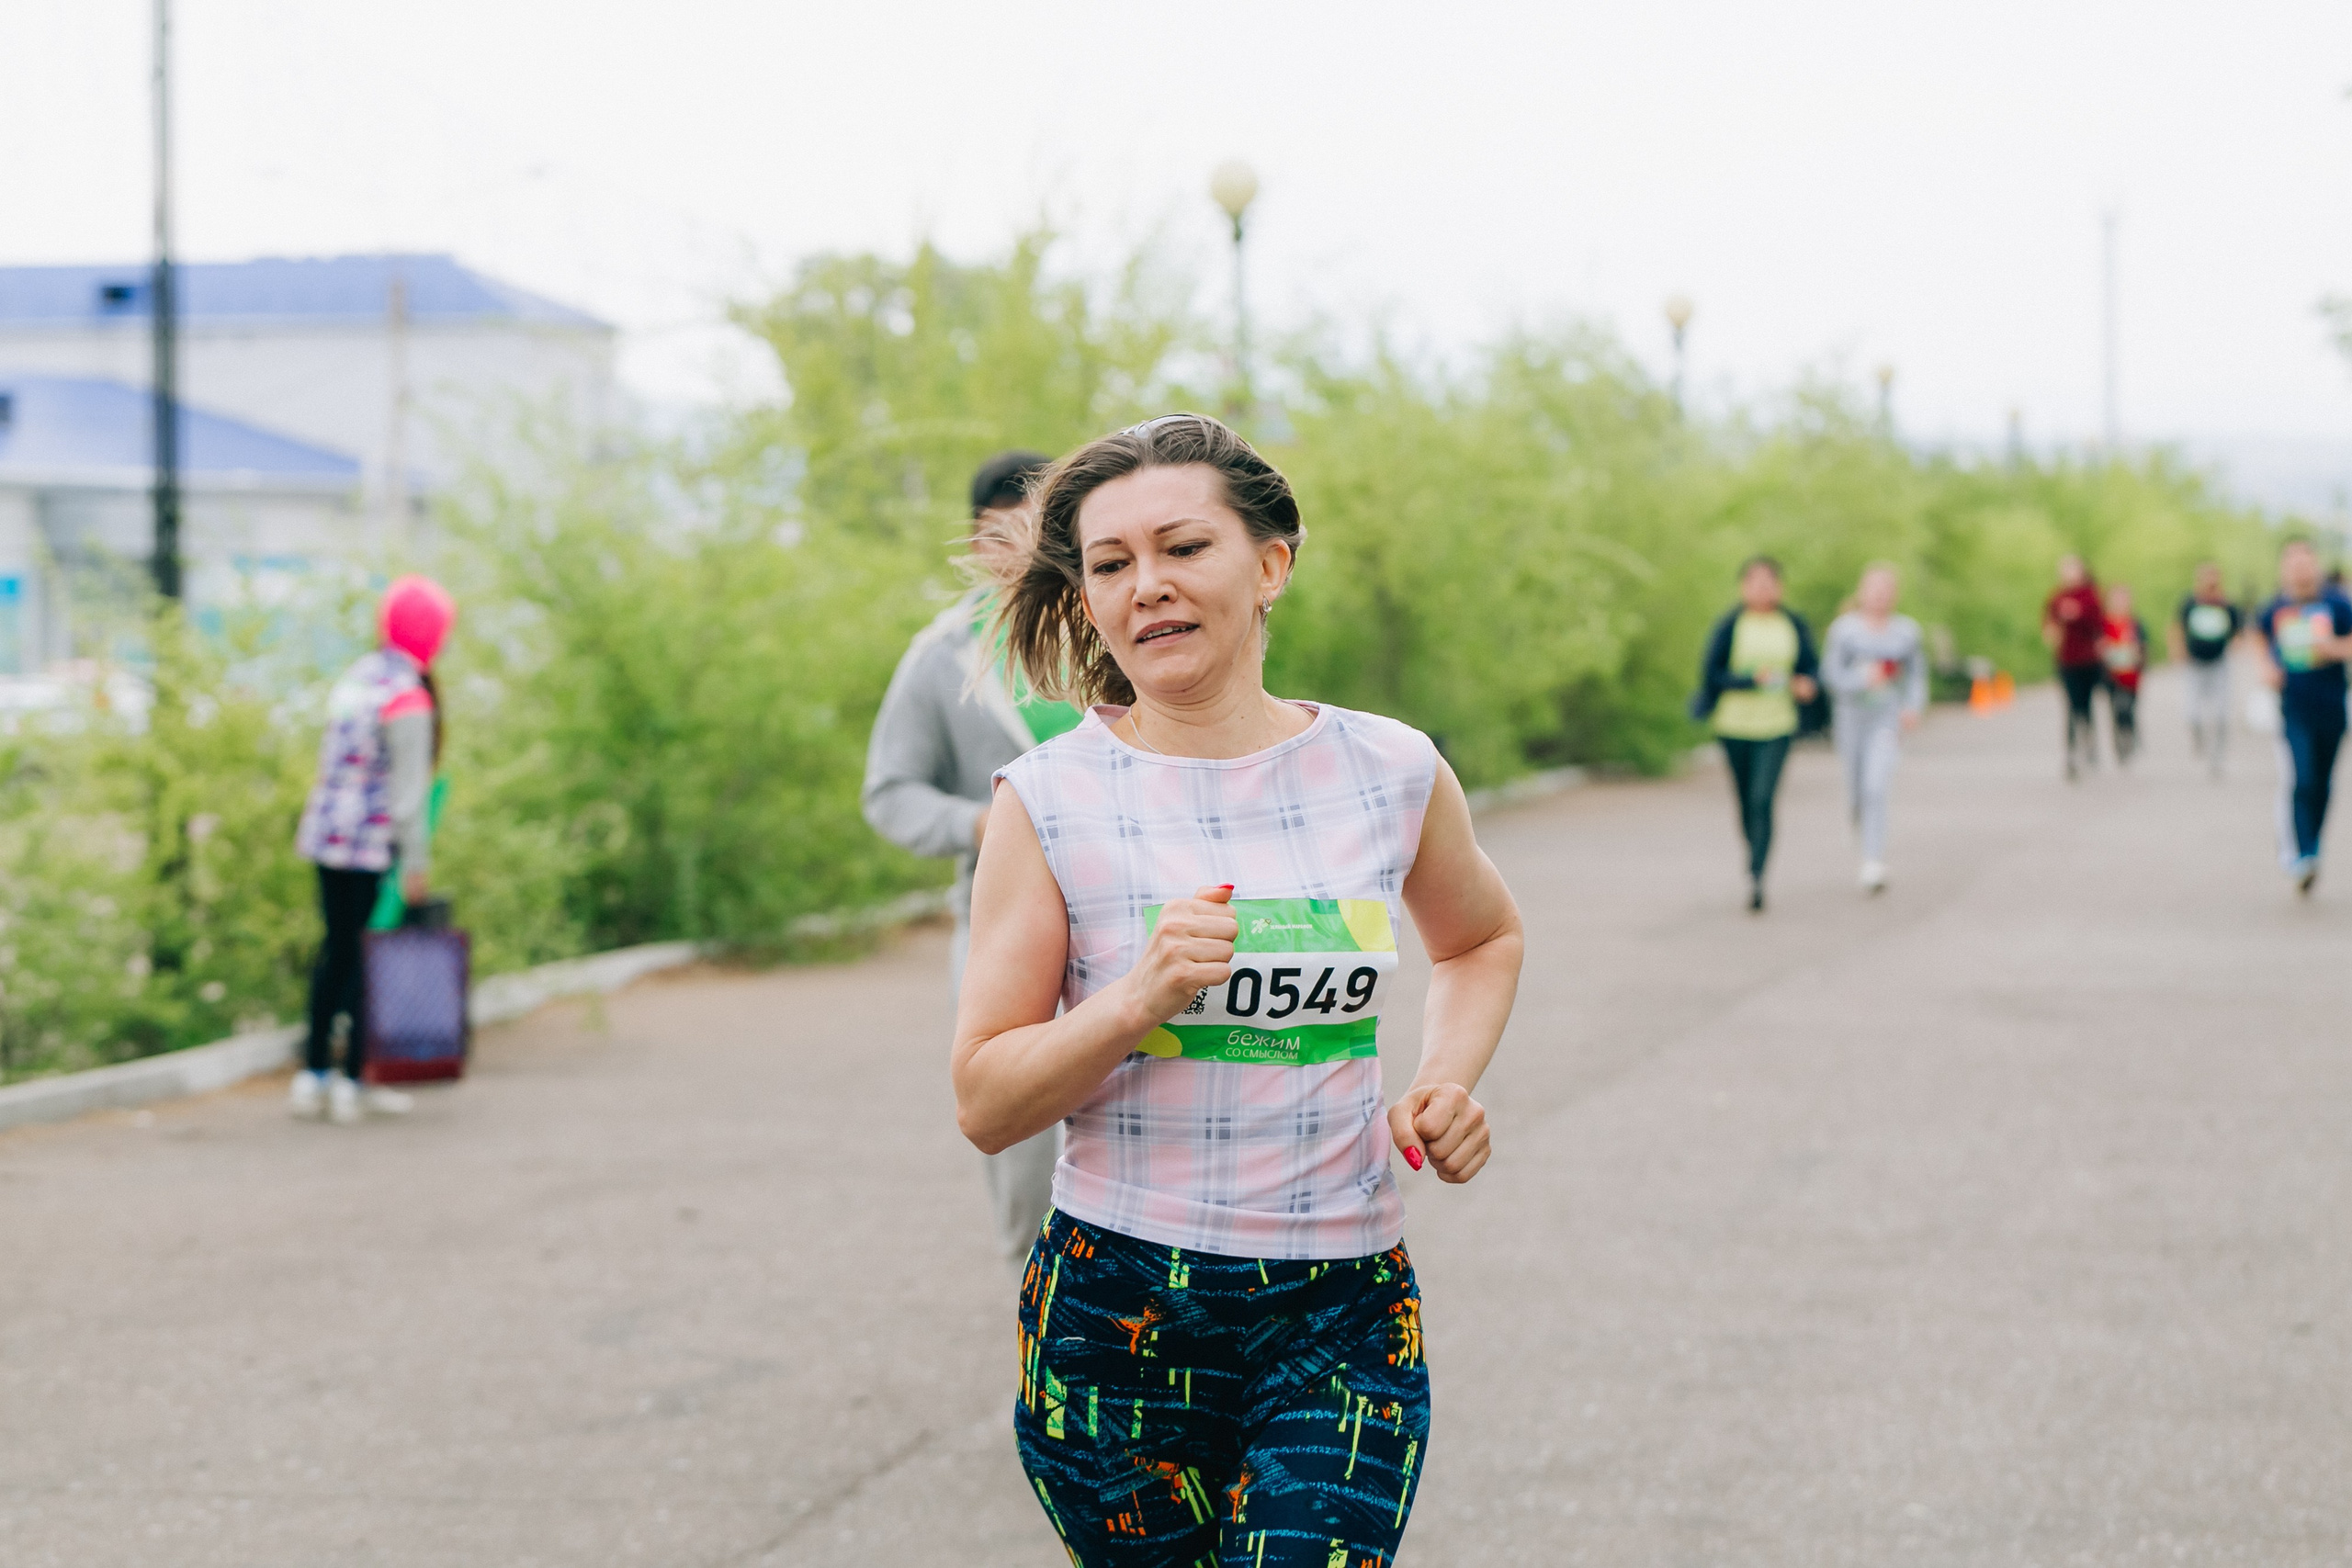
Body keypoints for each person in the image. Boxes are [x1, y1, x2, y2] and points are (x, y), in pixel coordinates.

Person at [954, 413, 1524, 1566]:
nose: (1146, 586)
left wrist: (1442, 1082)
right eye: (1111, 566)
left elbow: (1481, 940)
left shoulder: (1390, 769)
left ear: (1271, 564)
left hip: (1342, 1303)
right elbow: (985, 1099)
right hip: (1117, 1309)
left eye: (1182, 548)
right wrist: (1129, 1002)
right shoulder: (1049, 800)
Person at [863, 450, 1080, 1271]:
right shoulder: (943, 654)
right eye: (1005, 529)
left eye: (1044, 524)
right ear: (977, 538)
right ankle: (1036, 1292)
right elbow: (889, 791)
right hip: (1002, 917)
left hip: (1132, 909)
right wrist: (982, 823)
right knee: (1020, 1121)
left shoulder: (1114, 622)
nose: (1024, 544)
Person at [289, 575, 455, 1123]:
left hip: (325, 835)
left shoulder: (358, 677)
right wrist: (416, 863)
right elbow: (407, 795)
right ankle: (353, 1081)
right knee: (366, 958)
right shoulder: (408, 694)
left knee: (334, 952)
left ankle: (313, 1075)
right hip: (369, 845)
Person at [1694, 556, 1820, 911]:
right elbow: (1711, 675)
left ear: (1779, 587)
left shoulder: (1792, 623)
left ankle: (1758, 872)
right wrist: (1752, 680)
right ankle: (1753, 853)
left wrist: (1806, 684)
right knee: (1746, 799)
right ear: (1743, 587)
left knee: (1763, 798)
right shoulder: (1731, 625)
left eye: (1769, 582)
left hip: (1777, 725)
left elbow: (1811, 667)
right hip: (1734, 726)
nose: (1763, 588)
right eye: (1755, 582)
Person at [2254, 537, 2352, 893]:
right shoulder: (2275, 608)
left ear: (2315, 564)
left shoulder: (2337, 604)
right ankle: (2301, 854)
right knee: (2302, 778)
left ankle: (2313, 848)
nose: (2299, 568)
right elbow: (2259, 638)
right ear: (2284, 568)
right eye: (2292, 562)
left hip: (2331, 706)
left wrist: (2335, 648)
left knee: (2324, 785)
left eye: (2305, 561)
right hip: (2293, 707)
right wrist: (2266, 666)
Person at [1821, 562, 1926, 893]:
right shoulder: (1844, 631)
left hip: (1886, 718)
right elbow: (1831, 676)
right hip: (1852, 718)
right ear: (1862, 592)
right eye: (1874, 589)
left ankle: (1873, 860)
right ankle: (1859, 827)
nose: (1880, 596)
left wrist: (1912, 707)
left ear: (1894, 595)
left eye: (1886, 590)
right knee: (1856, 789)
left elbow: (1917, 675)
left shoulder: (1906, 632)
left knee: (1875, 786)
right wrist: (1863, 678)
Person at [2172, 561, 2243, 778]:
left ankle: (2217, 757)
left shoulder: (2226, 605)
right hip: (2195, 664)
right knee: (2192, 711)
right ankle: (2199, 740)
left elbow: (2238, 631)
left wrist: (2233, 646)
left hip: (2218, 663)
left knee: (2221, 712)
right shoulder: (2190, 603)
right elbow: (2177, 627)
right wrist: (2179, 651)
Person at [2042, 554, 2108, 780]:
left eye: (2072, 568)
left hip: (2089, 660)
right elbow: (2049, 624)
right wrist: (2052, 632)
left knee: (2086, 705)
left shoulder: (2091, 596)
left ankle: (2089, 742)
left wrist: (2078, 613)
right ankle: (2071, 753)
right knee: (2071, 705)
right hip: (2067, 660)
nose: (2068, 573)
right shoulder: (2057, 598)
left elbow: (2100, 626)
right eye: (2064, 569)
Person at [2100, 584, 2150, 765]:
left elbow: (2144, 648)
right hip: (2112, 675)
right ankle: (2119, 743)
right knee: (2116, 708)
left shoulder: (2135, 624)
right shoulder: (2105, 624)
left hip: (2131, 675)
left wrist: (2139, 657)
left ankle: (2131, 733)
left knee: (2128, 708)